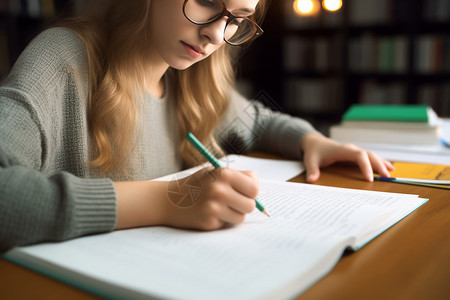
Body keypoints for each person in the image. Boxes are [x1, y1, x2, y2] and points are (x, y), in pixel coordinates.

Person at [0, 0, 393, 253]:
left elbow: (261, 120)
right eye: (207, 2)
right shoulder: (63, 61)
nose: (216, 35)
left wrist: (310, 139)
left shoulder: (191, 80)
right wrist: (169, 200)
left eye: (237, 20)